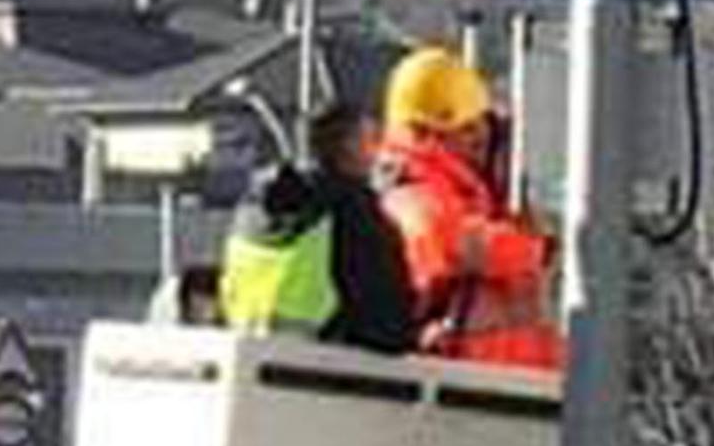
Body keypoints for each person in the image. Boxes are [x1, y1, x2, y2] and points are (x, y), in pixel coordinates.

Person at [375, 46, 561, 374]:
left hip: (511, 387)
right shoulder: (413, 194)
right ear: (425, 133)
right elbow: (457, 241)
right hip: (466, 389)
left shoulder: (471, 193)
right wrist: (540, 247)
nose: (481, 136)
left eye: (481, 124)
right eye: (466, 128)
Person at [219, 104, 417, 355]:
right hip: (329, 368)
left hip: (251, 354)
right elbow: (379, 304)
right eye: (373, 140)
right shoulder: (351, 208)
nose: (379, 152)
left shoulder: (256, 204)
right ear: (351, 146)